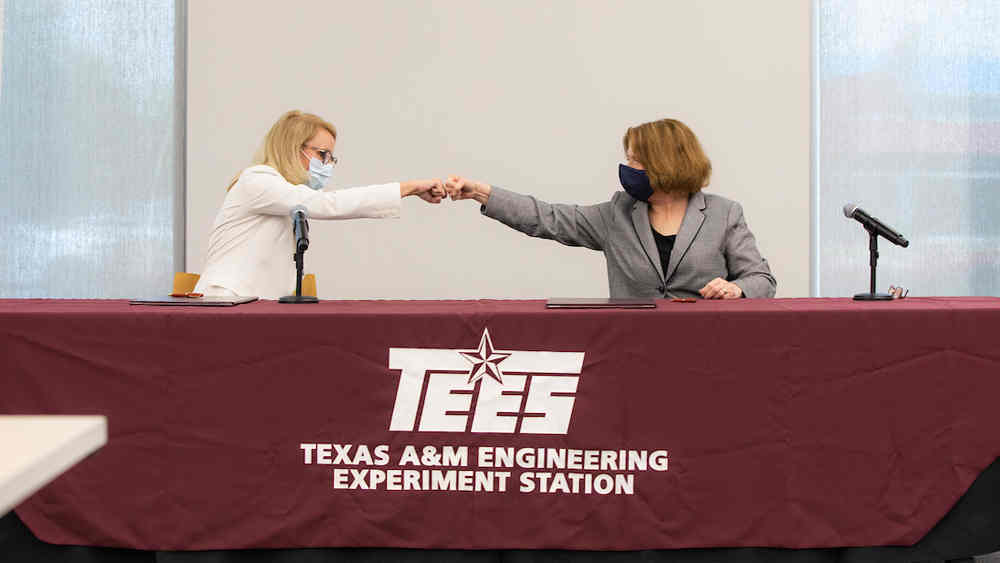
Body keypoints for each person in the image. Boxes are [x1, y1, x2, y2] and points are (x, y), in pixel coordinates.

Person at [445, 118, 776, 299]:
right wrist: (481, 193)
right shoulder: (616, 214)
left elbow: (761, 279)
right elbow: (547, 218)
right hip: (631, 352)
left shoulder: (725, 213)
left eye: (634, 158)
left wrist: (737, 289)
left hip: (709, 354)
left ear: (664, 162)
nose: (626, 165)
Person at [193, 110, 444, 299]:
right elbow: (327, 204)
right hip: (227, 300)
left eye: (331, 157)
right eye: (322, 154)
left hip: (254, 304)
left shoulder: (284, 191)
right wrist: (408, 188)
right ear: (293, 147)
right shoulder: (257, 179)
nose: (327, 163)